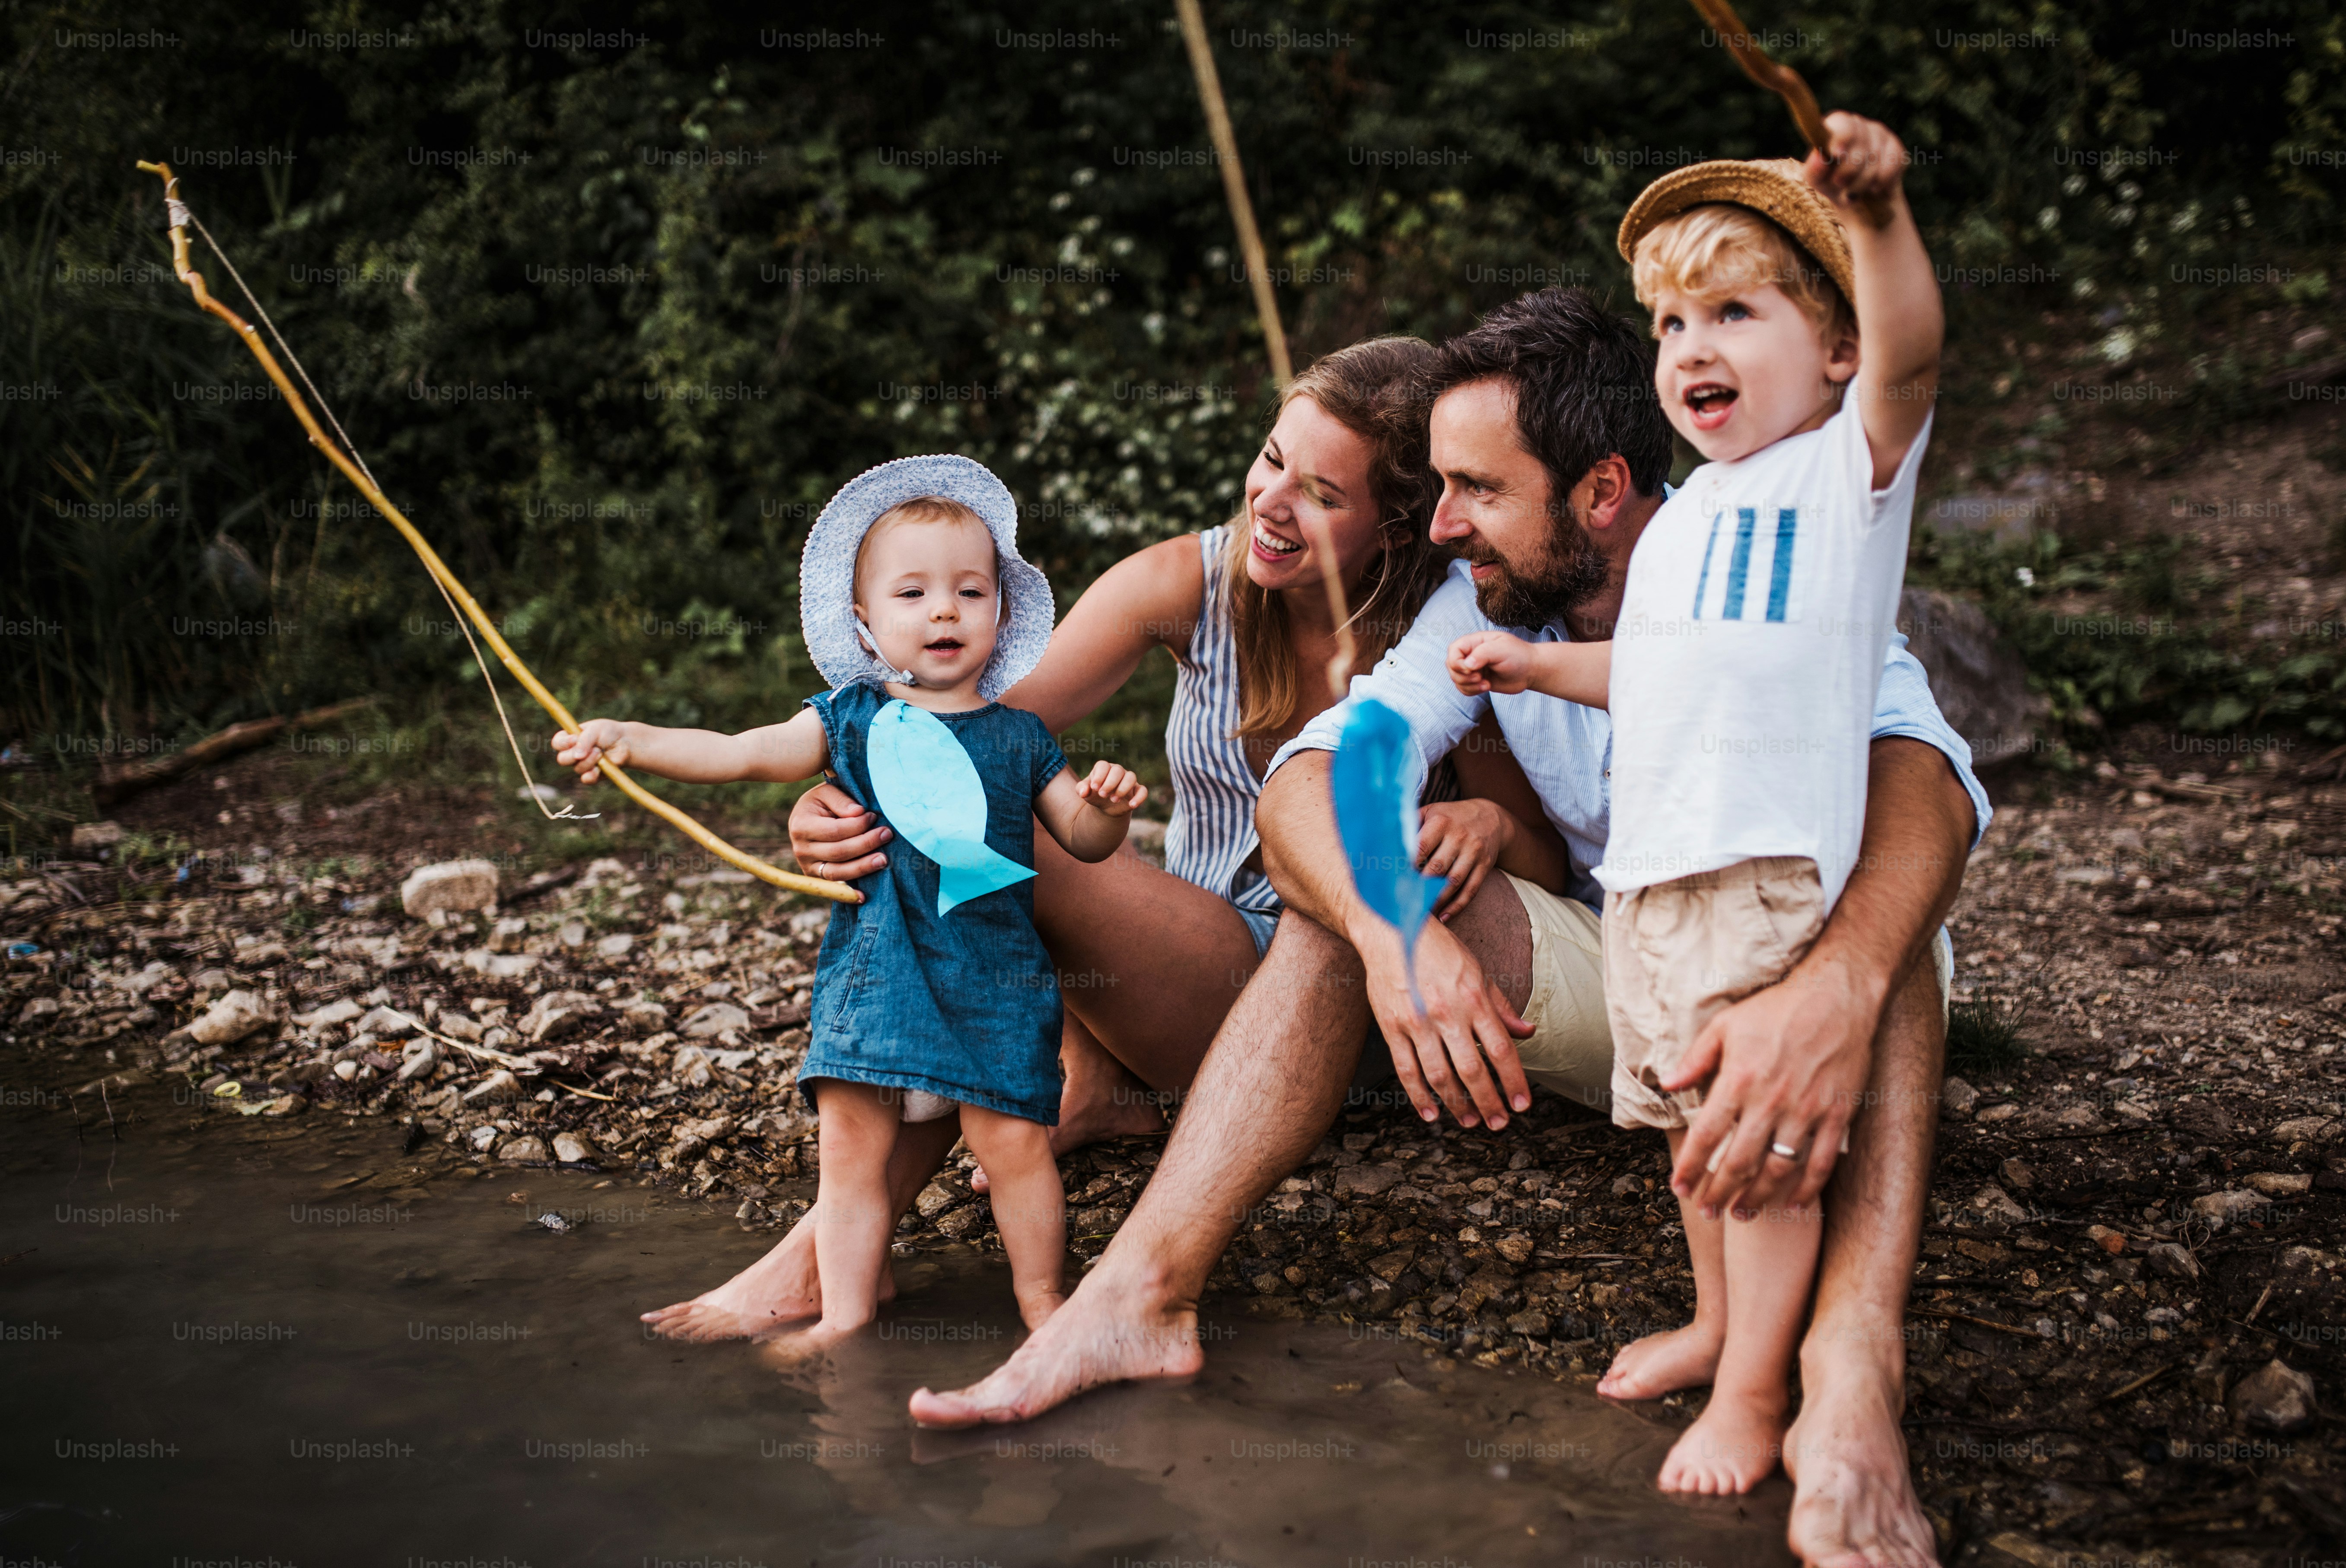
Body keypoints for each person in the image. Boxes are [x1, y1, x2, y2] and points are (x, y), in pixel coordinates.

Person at [910, 259, 1986, 1568]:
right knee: (1356, 888)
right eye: (1437, 486)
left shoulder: (1762, 545)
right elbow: (1314, 775)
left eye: (1476, 491)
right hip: (1619, 974)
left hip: (1795, 973)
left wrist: (1839, 981)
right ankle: (1134, 1296)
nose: (1440, 526)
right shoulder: (1473, 603)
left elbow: (1925, 782)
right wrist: (1394, 937)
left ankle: (1850, 1369)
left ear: (1598, 489)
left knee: (1889, 940)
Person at [648, 337, 1574, 1340]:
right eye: (1270, 458)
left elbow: (1545, 864)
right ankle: (1023, 1125)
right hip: (1193, 963)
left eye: (1321, 493)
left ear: (1397, 527)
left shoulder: (1438, 638)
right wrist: (827, 797)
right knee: (980, 830)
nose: (1269, 501)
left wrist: (1485, 821)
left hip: (1327, 1000)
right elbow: (958, 732)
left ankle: (821, 1253)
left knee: (999, 850)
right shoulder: (1190, 579)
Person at [1443, 117, 1943, 1498]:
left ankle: (1753, 1386)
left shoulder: (1840, 472)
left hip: (1760, 873)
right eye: (1670, 322)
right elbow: (1655, 670)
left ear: (1832, 349)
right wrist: (1541, 664)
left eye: (1735, 311)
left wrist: (1882, 218)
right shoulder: (1687, 522)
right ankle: (1720, 1320)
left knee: (1756, 1160)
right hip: (1657, 887)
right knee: (1685, 1137)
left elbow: (1910, 348)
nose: (1691, 346)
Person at [553, 458, 1149, 1341]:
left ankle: (1043, 1302)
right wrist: (631, 739)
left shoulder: (1021, 737)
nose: (944, 610)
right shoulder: (850, 719)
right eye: (913, 593)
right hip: (877, 977)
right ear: (866, 625)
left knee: (1015, 1146)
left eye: (969, 591)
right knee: (850, 1157)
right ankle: (846, 1312)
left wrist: (1105, 811)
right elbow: (743, 751)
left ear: (1001, 612)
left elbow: (1083, 840)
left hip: (993, 981)